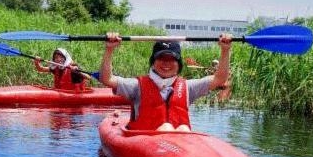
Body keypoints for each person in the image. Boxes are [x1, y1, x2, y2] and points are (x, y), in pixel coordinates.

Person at [99, 34, 232, 131]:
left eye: (171, 59)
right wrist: (109, 49)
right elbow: (107, 79)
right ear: (153, 62)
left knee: (183, 128)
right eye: (161, 58)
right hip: (144, 141)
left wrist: (225, 50)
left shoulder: (188, 87)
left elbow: (219, 79)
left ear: (178, 64)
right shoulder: (136, 85)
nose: (166, 63)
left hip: (179, 142)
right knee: (167, 127)